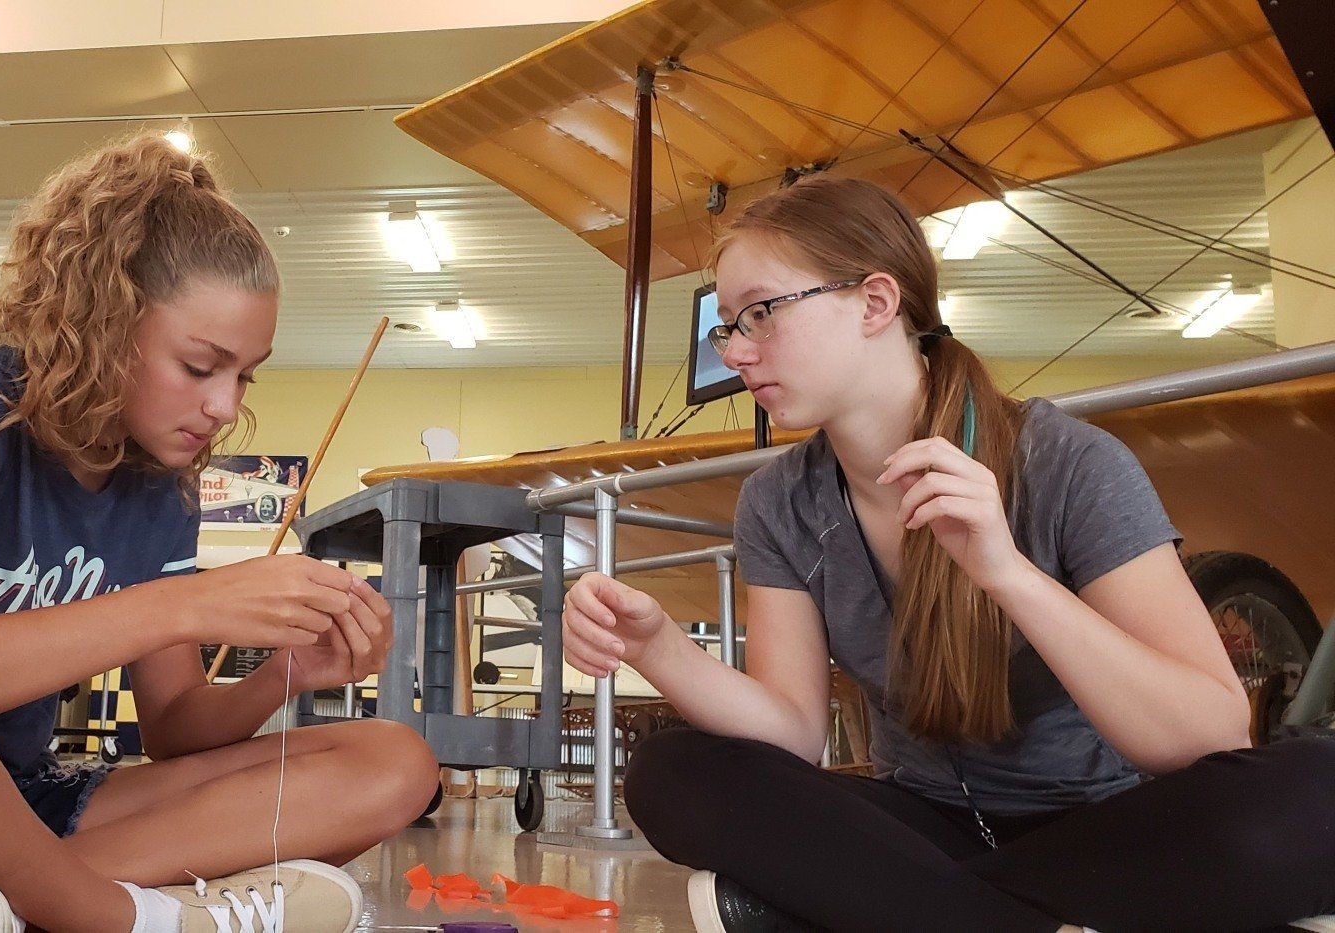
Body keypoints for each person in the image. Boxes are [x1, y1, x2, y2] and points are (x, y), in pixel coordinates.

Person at [562, 175, 1335, 933]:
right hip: (922, 827)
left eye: (761, 313)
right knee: (672, 773)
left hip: (1114, 829)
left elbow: (1211, 733)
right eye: (728, 326)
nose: (737, 352)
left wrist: (1007, 572)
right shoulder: (781, 501)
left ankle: (897, 910)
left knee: (1317, 789)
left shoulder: (1067, 462)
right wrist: (659, 648)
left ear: (875, 301)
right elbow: (793, 733)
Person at [0, 135, 440, 933]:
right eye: (200, 366)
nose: (225, 406)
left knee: (393, 760)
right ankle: (117, 913)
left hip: (16, 803)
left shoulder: (162, 483)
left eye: (245, 374)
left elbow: (172, 728)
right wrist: (181, 605)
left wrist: (283, 676)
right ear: (104, 324)